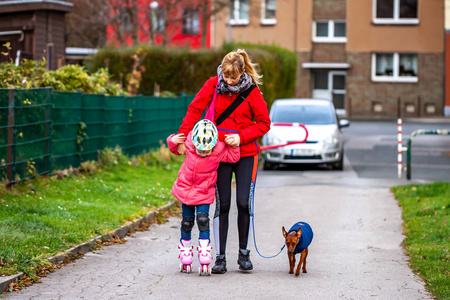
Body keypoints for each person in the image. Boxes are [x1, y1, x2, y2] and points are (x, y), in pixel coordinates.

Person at [175, 49, 271, 274]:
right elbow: (194, 109)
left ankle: (244, 254)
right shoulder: (212, 84)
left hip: (246, 154)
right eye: (226, 77)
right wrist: (182, 136)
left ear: (242, 73)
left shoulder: (252, 91)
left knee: (243, 203)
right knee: (223, 204)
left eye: (233, 78)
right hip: (218, 154)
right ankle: (219, 258)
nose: (228, 81)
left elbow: (264, 123)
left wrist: (241, 137)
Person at [167, 119, 240, 274]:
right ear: (194, 142)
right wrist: (172, 140)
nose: (204, 153)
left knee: (203, 221)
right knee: (187, 222)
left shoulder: (218, 150)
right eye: (200, 150)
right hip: (186, 189)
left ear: (213, 145)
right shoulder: (188, 143)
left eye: (207, 151)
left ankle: (204, 251)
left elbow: (233, 158)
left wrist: (234, 146)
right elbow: (175, 149)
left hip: (204, 191)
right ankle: (185, 251)